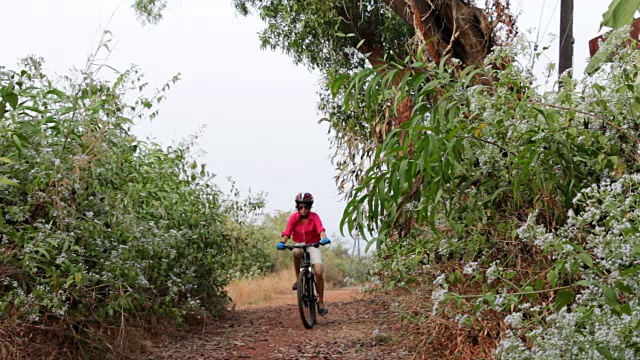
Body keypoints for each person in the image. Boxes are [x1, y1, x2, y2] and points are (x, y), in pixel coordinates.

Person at [277, 192, 331, 315]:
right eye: (301, 207)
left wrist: (324, 238)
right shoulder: (293, 218)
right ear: (298, 207)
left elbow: (320, 229)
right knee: (296, 252)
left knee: (318, 271)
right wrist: (282, 242)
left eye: (306, 207)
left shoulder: (314, 217)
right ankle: (298, 279)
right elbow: (287, 233)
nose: (303, 210)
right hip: (299, 243)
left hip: (313, 244)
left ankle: (321, 302)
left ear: (310, 207)